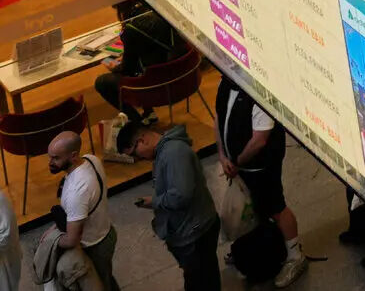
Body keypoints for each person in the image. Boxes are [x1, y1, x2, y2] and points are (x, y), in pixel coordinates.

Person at [214, 76, 308, 284]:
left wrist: (236, 162)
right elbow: (219, 118)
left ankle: (295, 256)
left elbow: (260, 140)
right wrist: (221, 154)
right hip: (238, 165)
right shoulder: (225, 83)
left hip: (261, 166)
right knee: (252, 208)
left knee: (275, 206)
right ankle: (257, 247)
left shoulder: (259, 91)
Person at [120, 118, 220, 291]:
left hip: (194, 231)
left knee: (201, 282)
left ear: (142, 140)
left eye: (135, 154)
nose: (138, 159)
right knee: (203, 276)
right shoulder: (165, 151)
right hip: (192, 227)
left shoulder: (173, 154)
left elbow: (181, 196)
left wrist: (154, 202)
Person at [46, 130, 120, 289]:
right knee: (106, 277)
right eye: (50, 156)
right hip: (105, 231)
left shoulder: (76, 191)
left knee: (100, 284)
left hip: (94, 246)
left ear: (73, 156)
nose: (50, 162)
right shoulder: (91, 159)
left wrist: (52, 242)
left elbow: (72, 239)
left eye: (56, 158)